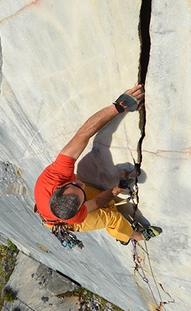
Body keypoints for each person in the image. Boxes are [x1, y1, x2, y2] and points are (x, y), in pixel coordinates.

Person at [34, 84, 162, 244]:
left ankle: (126, 229)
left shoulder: (54, 176)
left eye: (75, 184)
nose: (81, 183)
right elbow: (97, 202)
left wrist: (119, 106)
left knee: (104, 197)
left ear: (59, 188)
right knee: (110, 217)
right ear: (80, 208)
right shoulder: (75, 217)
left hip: (56, 205)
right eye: (81, 190)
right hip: (59, 222)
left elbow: (82, 135)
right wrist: (117, 189)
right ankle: (136, 236)